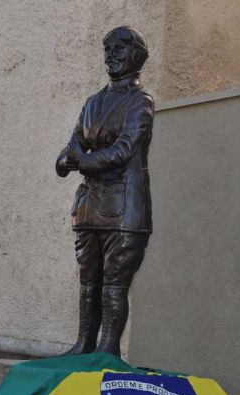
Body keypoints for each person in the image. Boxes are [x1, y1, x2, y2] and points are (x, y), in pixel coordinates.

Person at [55, 26, 154, 356]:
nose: (112, 55)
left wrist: (80, 160)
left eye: (120, 48)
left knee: (114, 282)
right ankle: (83, 343)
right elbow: (72, 146)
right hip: (89, 207)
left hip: (124, 208)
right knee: (88, 280)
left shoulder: (140, 102)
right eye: (108, 49)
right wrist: (66, 159)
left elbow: (123, 150)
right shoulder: (92, 102)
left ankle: (106, 349)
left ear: (136, 56)